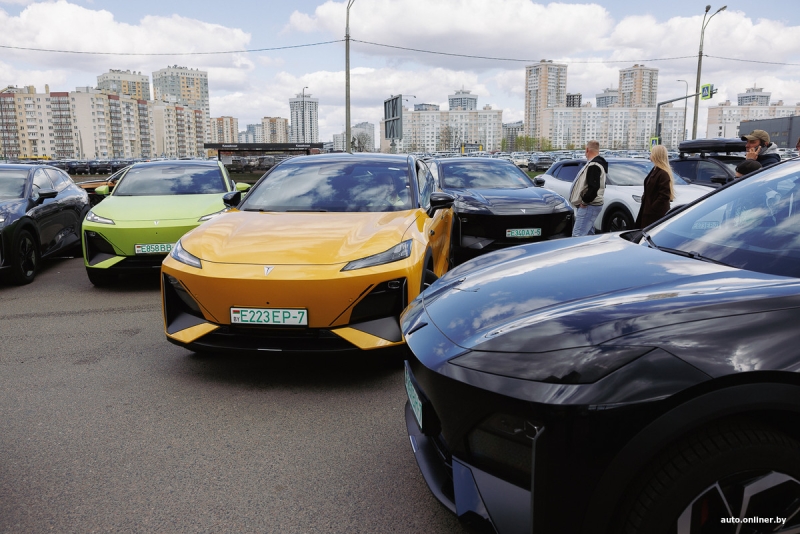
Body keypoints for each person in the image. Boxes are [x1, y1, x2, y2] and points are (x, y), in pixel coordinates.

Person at [569, 140, 607, 236]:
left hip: (589, 205)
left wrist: (584, 202)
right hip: (591, 205)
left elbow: (594, 187)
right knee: (588, 235)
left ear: (587, 150)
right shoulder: (596, 164)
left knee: (578, 235)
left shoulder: (594, 165)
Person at [635, 145, 675, 229]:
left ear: (657, 155)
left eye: (652, 153)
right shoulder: (655, 169)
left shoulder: (663, 173)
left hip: (655, 216)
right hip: (648, 212)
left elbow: (664, 196)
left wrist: (652, 209)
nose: (650, 155)